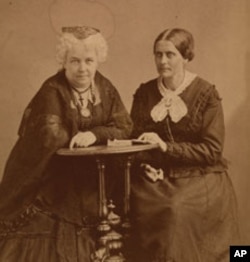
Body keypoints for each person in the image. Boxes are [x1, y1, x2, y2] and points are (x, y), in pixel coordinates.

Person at [0, 26, 132, 261]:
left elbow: (124, 126)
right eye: (75, 61)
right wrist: (76, 139)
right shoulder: (52, 90)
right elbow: (51, 136)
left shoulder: (105, 87)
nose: (83, 68)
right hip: (55, 177)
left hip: (98, 178)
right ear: (64, 61)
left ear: (98, 60)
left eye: (89, 60)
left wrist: (95, 134)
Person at [129, 28, 239, 262]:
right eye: (158, 55)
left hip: (198, 177)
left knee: (174, 210)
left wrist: (166, 147)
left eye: (170, 55)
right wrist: (144, 166)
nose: (162, 61)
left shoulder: (206, 93)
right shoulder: (145, 93)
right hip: (157, 177)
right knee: (129, 201)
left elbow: (212, 150)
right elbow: (134, 139)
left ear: (186, 56)